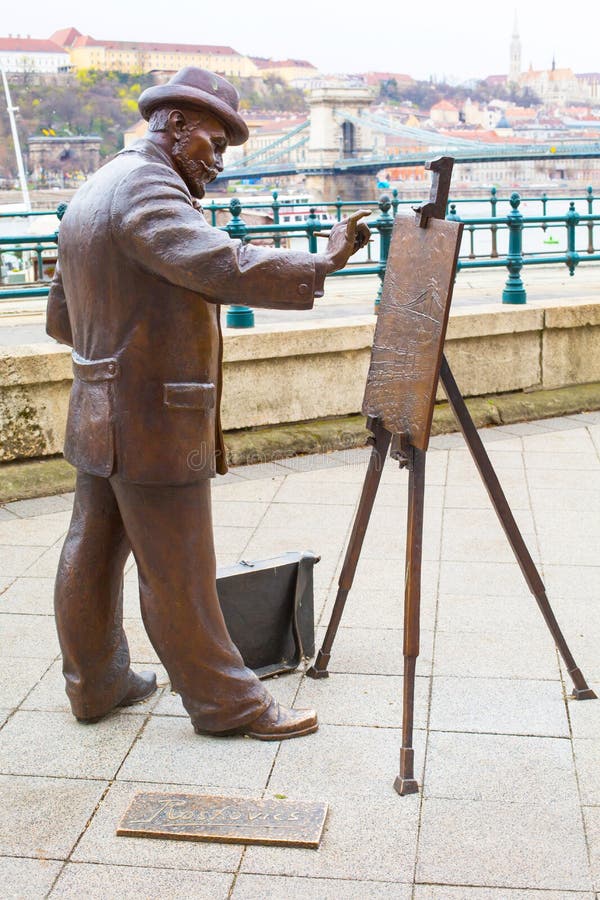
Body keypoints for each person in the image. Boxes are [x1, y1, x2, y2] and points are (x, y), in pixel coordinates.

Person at [46, 67, 370, 740]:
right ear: (174, 126)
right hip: (151, 416)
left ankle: (96, 682)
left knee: (93, 545)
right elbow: (219, 263)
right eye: (213, 144)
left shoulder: (96, 185)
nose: (218, 163)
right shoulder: (146, 187)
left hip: (98, 404)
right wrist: (321, 261)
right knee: (179, 567)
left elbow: (61, 317)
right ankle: (229, 704)